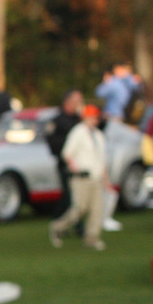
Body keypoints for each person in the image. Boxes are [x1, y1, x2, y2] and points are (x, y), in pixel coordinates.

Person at [48, 104, 109, 250]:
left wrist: (106, 180)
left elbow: (102, 160)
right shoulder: (78, 132)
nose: (95, 120)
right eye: (92, 117)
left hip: (96, 177)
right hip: (81, 177)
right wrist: (74, 168)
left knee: (97, 209)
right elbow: (67, 153)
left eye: (96, 117)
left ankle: (92, 238)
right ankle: (58, 227)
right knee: (80, 208)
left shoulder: (99, 136)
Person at [46, 90, 85, 210]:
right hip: (65, 162)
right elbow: (51, 140)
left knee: (78, 196)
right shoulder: (57, 120)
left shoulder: (80, 119)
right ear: (68, 102)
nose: (79, 105)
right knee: (69, 195)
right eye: (76, 102)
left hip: (80, 162)